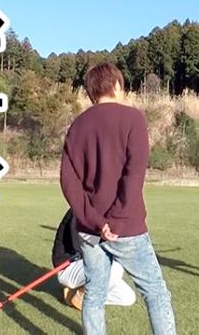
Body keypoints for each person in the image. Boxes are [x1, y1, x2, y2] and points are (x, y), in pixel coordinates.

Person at [59, 62, 176, 335]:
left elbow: (69, 182)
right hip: (127, 227)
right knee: (155, 292)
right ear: (116, 85)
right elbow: (133, 176)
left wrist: (95, 221)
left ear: (91, 92)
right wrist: (113, 222)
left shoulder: (78, 126)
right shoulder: (133, 119)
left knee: (94, 294)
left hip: (89, 230)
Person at [52, 208, 136, 310]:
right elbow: (83, 240)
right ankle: (81, 296)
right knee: (115, 268)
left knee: (127, 297)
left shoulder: (104, 212)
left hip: (87, 266)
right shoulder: (79, 210)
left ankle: (73, 293)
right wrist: (108, 242)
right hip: (69, 267)